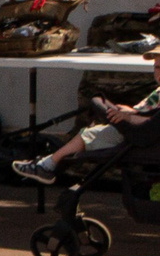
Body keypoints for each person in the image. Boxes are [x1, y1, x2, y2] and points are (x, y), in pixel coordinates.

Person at [16, 57, 160, 183]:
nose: (158, 73)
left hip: (138, 136)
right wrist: (131, 111)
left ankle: (47, 165)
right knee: (92, 128)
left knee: (88, 135)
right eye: (156, 68)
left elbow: (153, 124)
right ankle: (48, 163)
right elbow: (149, 112)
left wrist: (128, 117)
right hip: (134, 129)